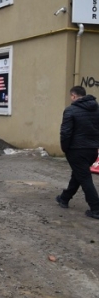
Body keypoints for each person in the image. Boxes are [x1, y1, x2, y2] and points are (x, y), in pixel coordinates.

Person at [56, 86, 99, 219]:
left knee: (84, 178)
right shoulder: (96, 109)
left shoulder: (71, 110)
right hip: (92, 150)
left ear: (74, 96)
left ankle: (96, 209)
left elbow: (65, 132)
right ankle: (64, 198)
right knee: (79, 174)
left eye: (71, 96)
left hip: (77, 150)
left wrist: (65, 148)